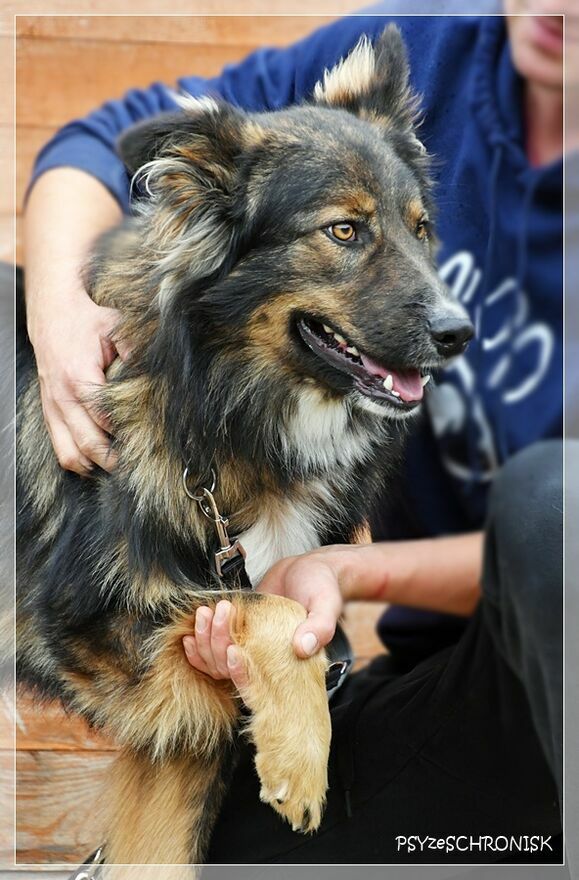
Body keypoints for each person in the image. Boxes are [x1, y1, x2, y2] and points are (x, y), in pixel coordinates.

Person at [22, 3, 570, 865]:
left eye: (413, 231)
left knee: (557, 501)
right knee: (241, 826)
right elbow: (100, 141)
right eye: (346, 233)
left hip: (541, 690)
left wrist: (345, 574)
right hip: (450, 701)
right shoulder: (430, 48)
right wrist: (59, 313)